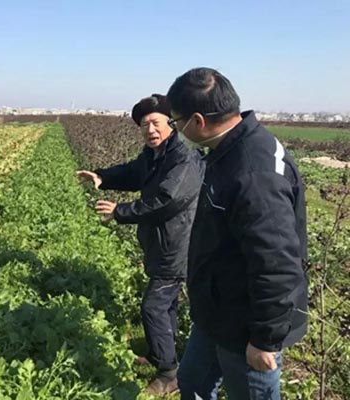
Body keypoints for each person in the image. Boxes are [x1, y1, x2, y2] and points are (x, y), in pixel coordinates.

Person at [166, 67, 309, 400]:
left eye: (176, 122)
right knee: (193, 383)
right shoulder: (229, 149)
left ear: (197, 121)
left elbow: (276, 264)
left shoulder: (254, 173)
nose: (176, 130)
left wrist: (264, 340)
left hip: (247, 325)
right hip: (219, 311)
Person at [77, 94, 203, 395]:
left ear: (170, 123)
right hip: (162, 242)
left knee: (153, 306)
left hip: (178, 245)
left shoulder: (183, 157)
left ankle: (169, 374)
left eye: (155, 122)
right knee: (166, 305)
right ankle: (162, 354)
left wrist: (120, 211)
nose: (150, 130)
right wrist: (102, 177)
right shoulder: (154, 155)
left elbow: (168, 200)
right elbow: (133, 172)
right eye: (144, 125)